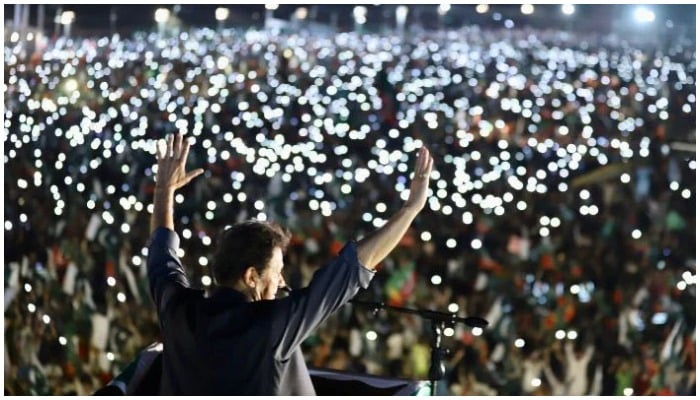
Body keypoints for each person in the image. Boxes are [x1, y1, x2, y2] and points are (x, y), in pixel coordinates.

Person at [146, 132, 433, 395]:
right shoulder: (272, 325)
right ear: (251, 276)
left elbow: (162, 252)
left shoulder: (178, 311)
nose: (283, 282)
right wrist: (411, 210)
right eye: (277, 271)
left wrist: (163, 191)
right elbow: (352, 267)